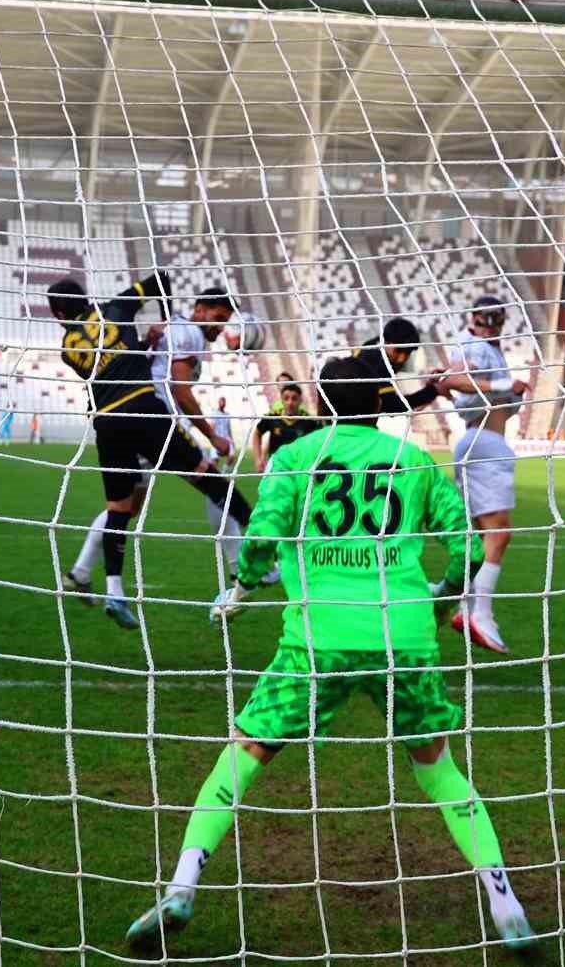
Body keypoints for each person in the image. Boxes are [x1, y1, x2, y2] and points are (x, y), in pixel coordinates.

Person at [123, 357, 535, 953]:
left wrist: (242, 587)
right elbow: (469, 546)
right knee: (439, 768)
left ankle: (183, 885)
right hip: (405, 638)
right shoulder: (412, 460)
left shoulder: (296, 457)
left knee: (247, 752)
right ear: (379, 400)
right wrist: (443, 599)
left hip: (319, 641)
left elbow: (260, 540)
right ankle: (506, 904)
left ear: (321, 398)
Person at [48, 273, 253, 629]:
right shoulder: (114, 309)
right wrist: (165, 315)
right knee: (207, 476)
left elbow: (108, 367)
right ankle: (262, 550)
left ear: (58, 314)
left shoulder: (67, 349)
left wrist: (146, 341)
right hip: (144, 409)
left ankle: (111, 587)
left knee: (120, 508)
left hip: (107, 422)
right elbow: (161, 277)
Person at [432, 296, 530, 654]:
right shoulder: (472, 343)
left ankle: (452, 600)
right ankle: (479, 614)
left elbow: (448, 382)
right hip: (485, 444)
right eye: (484, 317)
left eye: (496, 317)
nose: (490, 323)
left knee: (480, 538)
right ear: (473, 318)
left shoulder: (490, 350)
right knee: (499, 534)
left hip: (481, 441)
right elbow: (456, 377)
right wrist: (504, 387)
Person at [350, 317, 444, 422]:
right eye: (399, 351)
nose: (402, 358)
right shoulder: (379, 363)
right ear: (388, 342)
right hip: (353, 414)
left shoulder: (376, 343)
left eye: (407, 352)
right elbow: (392, 406)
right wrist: (433, 391)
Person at [250, 382, 316, 473]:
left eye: (294, 398)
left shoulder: (309, 421)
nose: (290, 402)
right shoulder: (272, 417)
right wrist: (258, 459)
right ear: (281, 400)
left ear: (300, 400)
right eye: (286, 398)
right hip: (276, 469)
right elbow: (257, 433)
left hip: (300, 469)